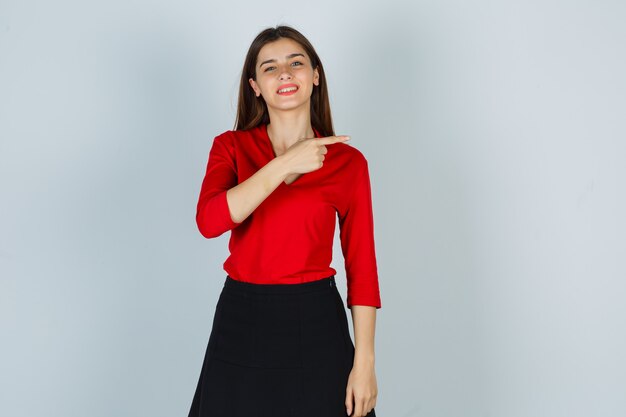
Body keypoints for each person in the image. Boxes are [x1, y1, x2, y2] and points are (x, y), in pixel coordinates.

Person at [188, 25, 381, 417]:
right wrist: (284, 165)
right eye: (270, 68)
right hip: (242, 319)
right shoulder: (231, 147)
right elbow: (210, 221)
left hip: (317, 322)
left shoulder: (349, 163)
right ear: (255, 86)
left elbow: (362, 268)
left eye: (296, 63)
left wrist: (365, 363)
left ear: (315, 76)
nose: (285, 74)